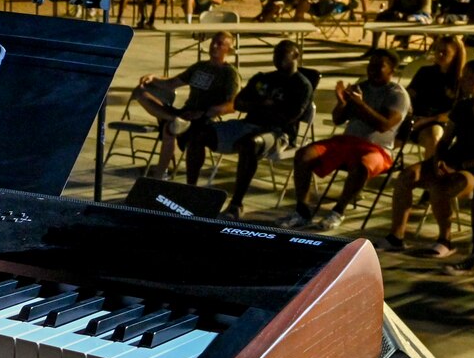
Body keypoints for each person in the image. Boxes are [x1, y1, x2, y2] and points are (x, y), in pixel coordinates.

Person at [382, 57, 474, 270]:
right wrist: (438, 160)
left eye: (467, 77)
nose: (461, 81)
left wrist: (460, 165)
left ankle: (445, 239)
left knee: (440, 186)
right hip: (451, 160)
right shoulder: (463, 106)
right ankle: (396, 236)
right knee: (407, 176)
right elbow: (445, 140)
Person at [283, 48, 407, 232]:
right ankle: (302, 211)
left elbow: (384, 125)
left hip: (377, 148)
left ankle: (337, 211)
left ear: (391, 71)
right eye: (371, 64)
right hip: (347, 141)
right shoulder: (361, 87)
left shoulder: (397, 95)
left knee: (361, 166)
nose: (372, 69)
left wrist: (360, 104)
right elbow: (338, 119)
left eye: (379, 66)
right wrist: (342, 104)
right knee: (304, 155)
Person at [214, 38, 313, 219]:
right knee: (200, 132)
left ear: (296, 57)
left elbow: (288, 117)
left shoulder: (301, 85)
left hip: (278, 133)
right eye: (276, 55)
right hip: (247, 124)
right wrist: (264, 105)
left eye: (283, 56)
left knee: (249, 144)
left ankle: (236, 204)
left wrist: (257, 106)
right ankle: (191, 191)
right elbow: (239, 103)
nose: (278, 59)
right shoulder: (263, 78)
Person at [129, 31, 239, 179]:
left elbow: (232, 104)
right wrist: (153, 78)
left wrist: (205, 112)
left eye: (220, 44)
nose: (214, 46)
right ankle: (173, 119)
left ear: (228, 49)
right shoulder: (200, 66)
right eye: (213, 41)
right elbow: (171, 83)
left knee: (169, 129)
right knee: (140, 93)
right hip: (184, 112)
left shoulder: (229, 73)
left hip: (204, 117)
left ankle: (159, 175)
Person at [400, 38, 467, 161]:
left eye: (445, 52)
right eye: (437, 50)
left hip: (439, 121)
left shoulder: (461, 81)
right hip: (414, 118)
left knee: (433, 135)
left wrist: (426, 120)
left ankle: (429, 172)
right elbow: (408, 96)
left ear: (456, 55)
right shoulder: (425, 72)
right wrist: (408, 115)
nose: (439, 54)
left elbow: (456, 112)